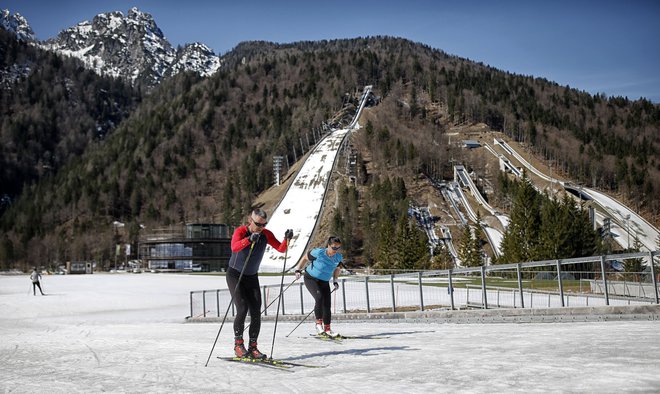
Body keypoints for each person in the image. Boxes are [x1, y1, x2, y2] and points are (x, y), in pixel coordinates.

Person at [227, 208, 293, 359]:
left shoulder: (266, 234)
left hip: (251, 276)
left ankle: (253, 347)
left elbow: (281, 249)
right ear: (251, 220)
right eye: (258, 224)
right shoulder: (241, 231)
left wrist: (287, 239)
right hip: (235, 275)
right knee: (242, 308)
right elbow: (234, 247)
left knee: (256, 312)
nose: (261, 228)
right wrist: (249, 240)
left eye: (264, 224)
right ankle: (238, 345)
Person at [294, 236, 343, 338]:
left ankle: (328, 329)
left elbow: (337, 269)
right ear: (328, 245)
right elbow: (304, 258)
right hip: (311, 278)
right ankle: (318, 325)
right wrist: (298, 270)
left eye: (338, 248)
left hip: (324, 281)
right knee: (319, 298)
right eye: (334, 247)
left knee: (327, 305)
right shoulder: (319, 253)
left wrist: (335, 280)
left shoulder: (338, 257)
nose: (335, 250)